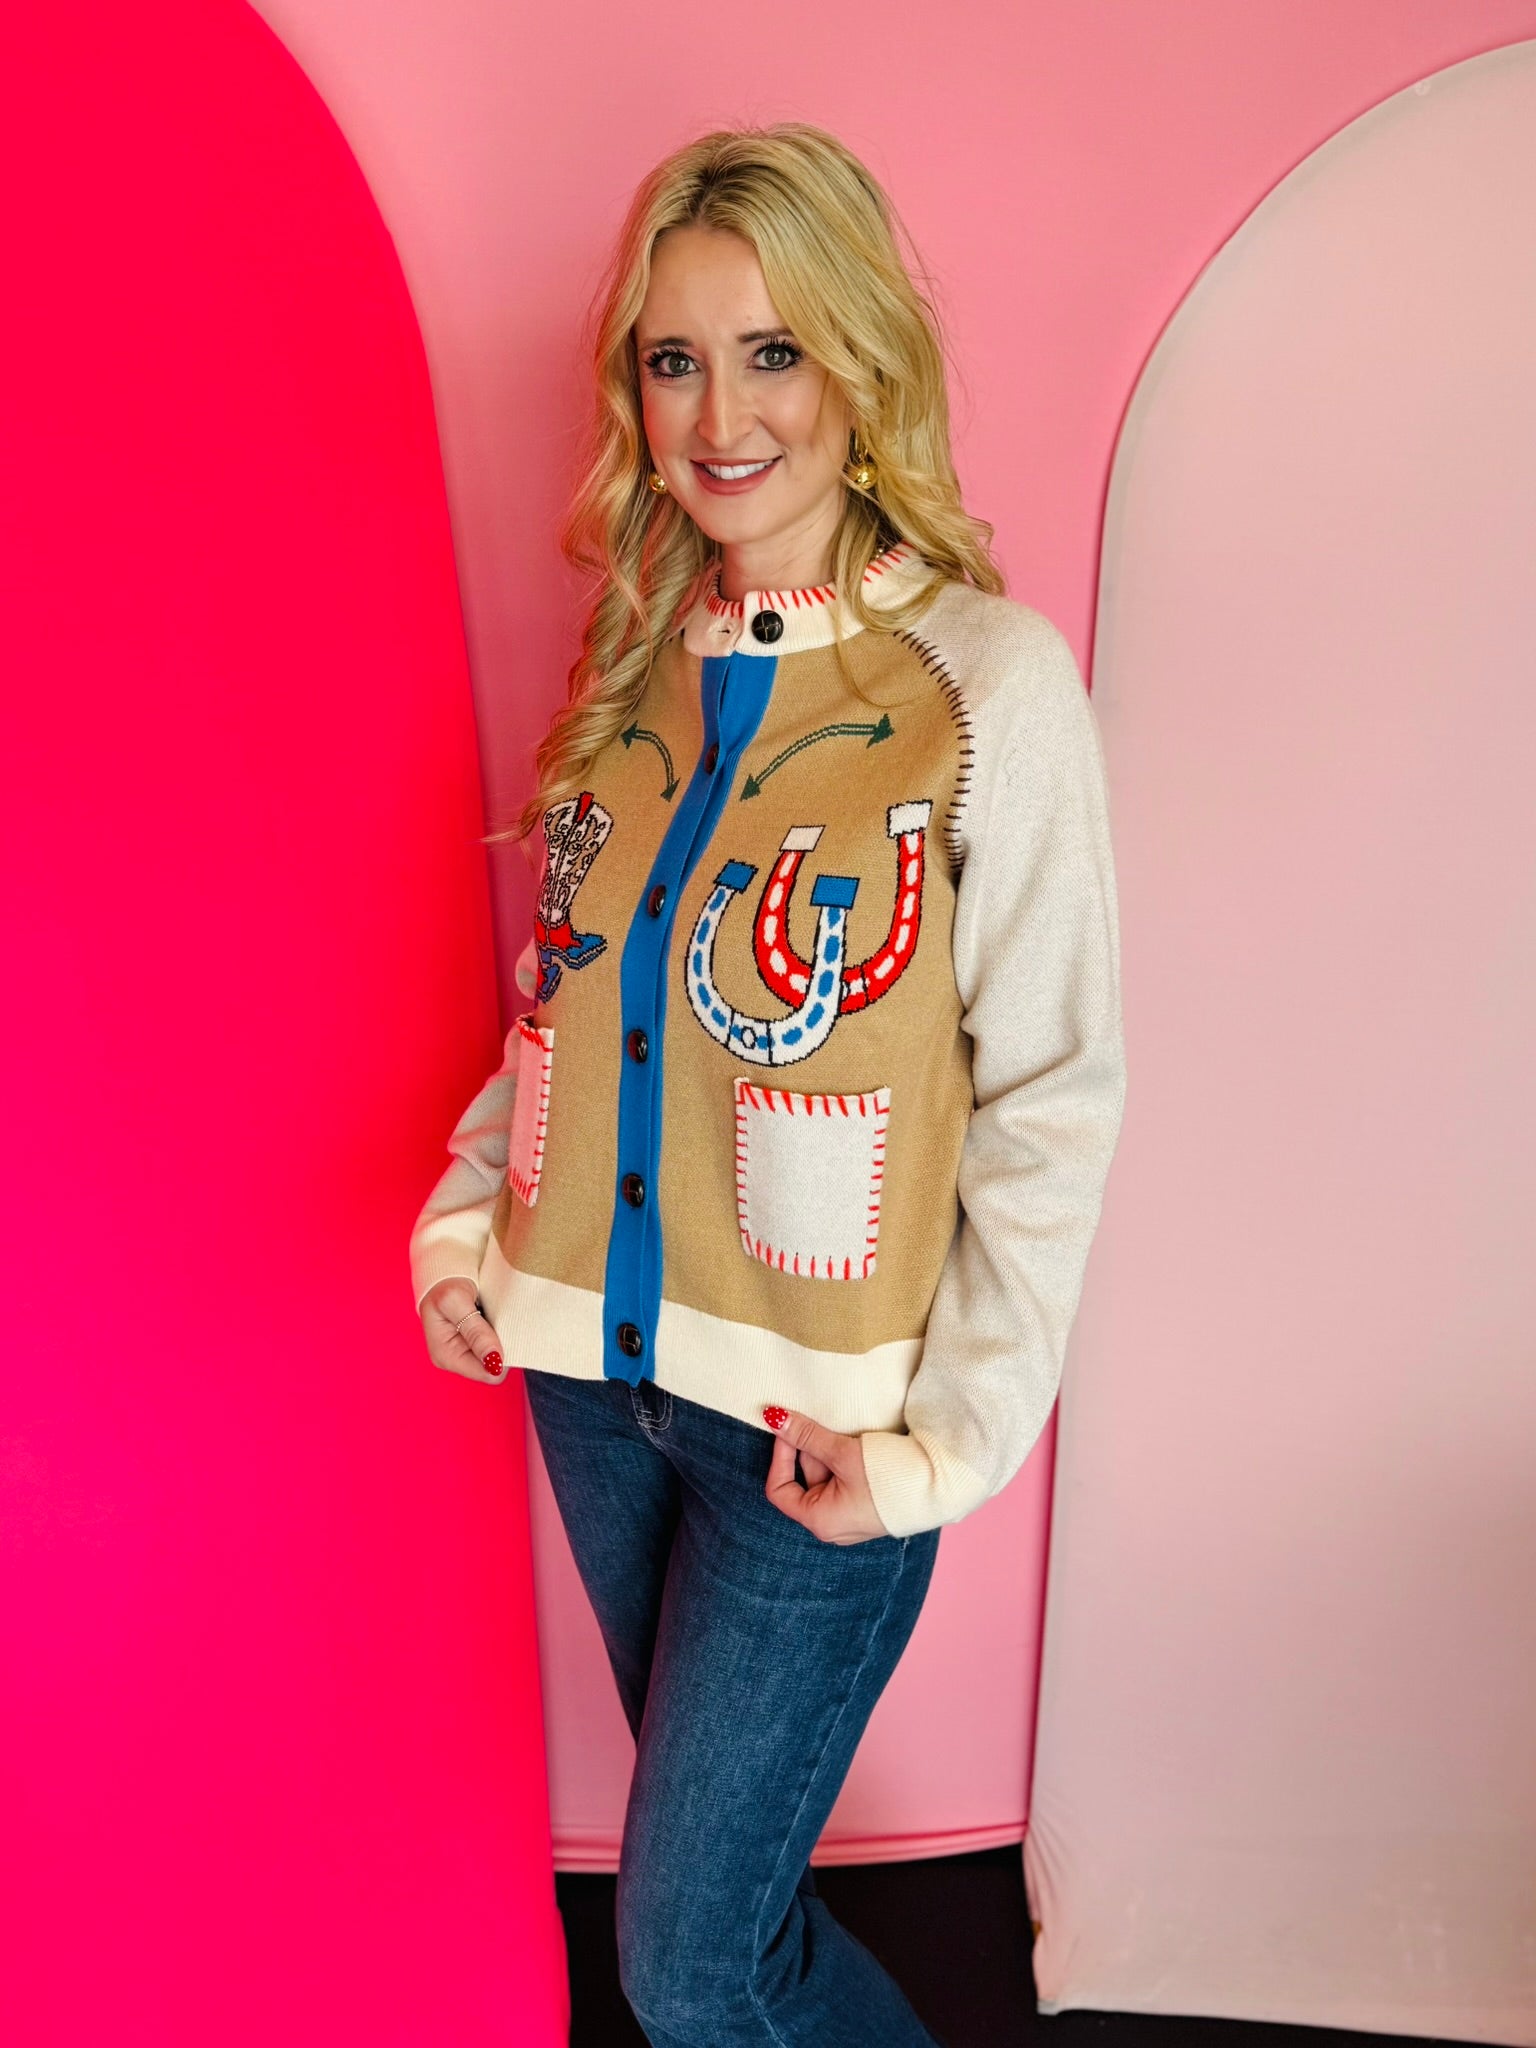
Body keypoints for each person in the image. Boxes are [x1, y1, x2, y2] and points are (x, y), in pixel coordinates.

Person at [408, 122, 1126, 2048]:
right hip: (590, 1392)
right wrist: (475, 1227)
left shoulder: (987, 687)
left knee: (689, 1961)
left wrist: (941, 1449)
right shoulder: (629, 674)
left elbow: (1054, 1094)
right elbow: (562, 1009)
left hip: (814, 1445)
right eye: (675, 360)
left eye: (773, 352)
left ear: (861, 367)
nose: (720, 417)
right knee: (722, 1905)